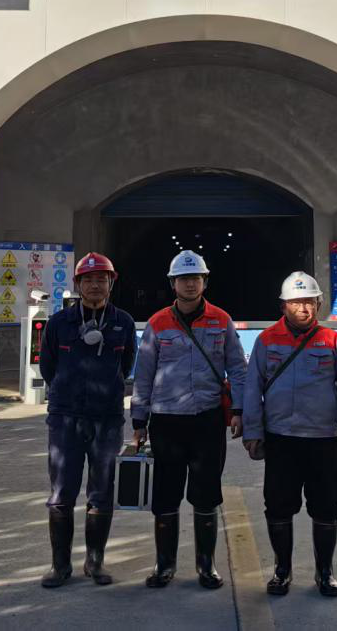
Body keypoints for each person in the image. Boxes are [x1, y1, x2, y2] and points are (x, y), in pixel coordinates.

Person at [131, 249, 247, 590]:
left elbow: (237, 369)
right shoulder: (157, 323)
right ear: (173, 284)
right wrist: (138, 420)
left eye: (195, 278)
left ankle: (206, 566)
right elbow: (144, 375)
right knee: (165, 495)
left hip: (207, 421)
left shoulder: (221, 320)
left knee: (206, 494)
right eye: (183, 279)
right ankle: (164, 565)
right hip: (166, 422)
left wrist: (239, 411)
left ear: (204, 281)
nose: (190, 284)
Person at [242, 271, 337, 598]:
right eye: (296, 303)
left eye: (309, 302)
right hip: (281, 439)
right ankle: (282, 571)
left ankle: (325, 572)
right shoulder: (266, 341)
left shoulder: (332, 341)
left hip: (323, 439)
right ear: (283, 306)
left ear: (319, 304)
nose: (304, 308)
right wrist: (252, 430)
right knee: (278, 506)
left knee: (326, 506)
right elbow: (252, 389)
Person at [38, 252, 136, 589]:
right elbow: (48, 367)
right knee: (61, 493)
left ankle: (95, 562)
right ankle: (60, 566)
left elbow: (126, 366)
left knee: (102, 492)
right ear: (78, 284)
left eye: (101, 279)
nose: (95, 285)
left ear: (111, 283)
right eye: (88, 279)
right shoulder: (59, 323)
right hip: (65, 418)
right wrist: (68, 392)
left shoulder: (123, 322)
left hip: (106, 419)